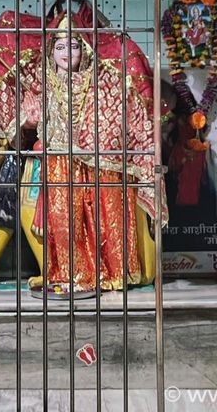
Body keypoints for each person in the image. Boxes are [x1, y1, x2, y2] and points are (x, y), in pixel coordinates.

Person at [27, 21, 159, 292]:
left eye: (73, 46)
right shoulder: (43, 84)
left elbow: (116, 120)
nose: (66, 53)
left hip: (100, 163)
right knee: (66, 222)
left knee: (104, 219)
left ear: (85, 50)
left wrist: (93, 140)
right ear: (51, 51)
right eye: (59, 47)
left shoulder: (102, 81)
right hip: (60, 162)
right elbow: (33, 123)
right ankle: (70, 274)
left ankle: (112, 273)